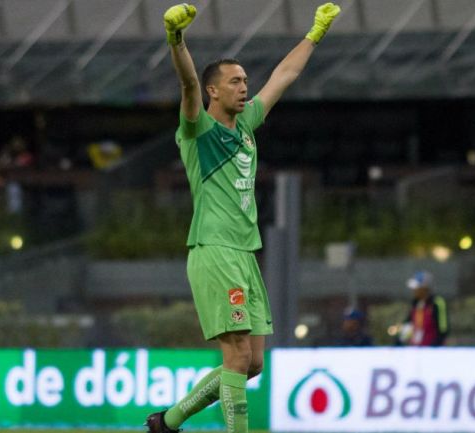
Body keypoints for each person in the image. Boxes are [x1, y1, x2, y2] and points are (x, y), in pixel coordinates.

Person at [145, 3, 341, 433]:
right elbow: (188, 82)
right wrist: (176, 40)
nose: (244, 88)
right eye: (234, 82)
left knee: (251, 365)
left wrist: (315, 34)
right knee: (234, 358)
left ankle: (169, 421)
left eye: (245, 81)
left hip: (245, 253)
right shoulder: (198, 130)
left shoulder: (247, 124)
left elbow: (284, 76)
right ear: (215, 91)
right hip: (215, 250)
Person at [396, 271, 449, 347]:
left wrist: (434, 347)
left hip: (431, 349)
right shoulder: (415, 303)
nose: (414, 290)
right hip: (415, 348)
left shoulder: (437, 302)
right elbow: (408, 324)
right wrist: (400, 340)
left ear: (425, 288)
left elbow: (443, 329)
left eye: (417, 288)